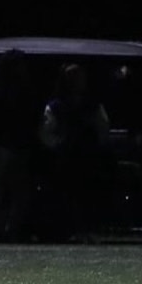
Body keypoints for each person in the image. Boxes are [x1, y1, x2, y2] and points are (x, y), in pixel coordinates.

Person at [37, 62, 112, 242]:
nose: (78, 82)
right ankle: (68, 230)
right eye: (73, 78)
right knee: (66, 195)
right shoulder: (56, 106)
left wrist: (96, 146)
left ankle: (87, 229)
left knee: (88, 194)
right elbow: (45, 132)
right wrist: (59, 145)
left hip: (87, 156)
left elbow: (103, 127)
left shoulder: (92, 105)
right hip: (66, 158)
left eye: (79, 78)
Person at [0, 48, 38, 243]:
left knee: (0, 191)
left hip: (8, 146)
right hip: (9, 146)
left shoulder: (0, 93)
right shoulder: (18, 93)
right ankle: (7, 228)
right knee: (11, 190)